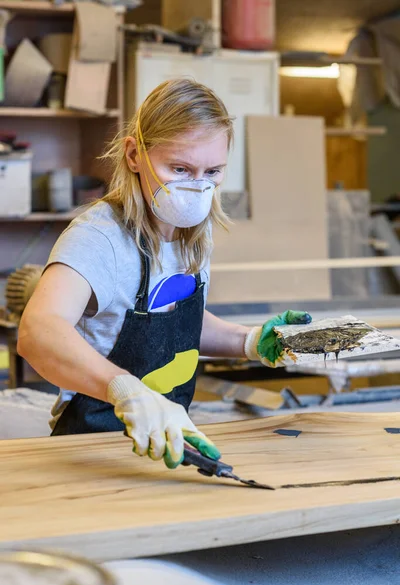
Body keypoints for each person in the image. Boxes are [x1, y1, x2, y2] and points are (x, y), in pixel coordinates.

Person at [18, 78, 311, 469]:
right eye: (179, 168)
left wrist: (250, 341)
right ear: (135, 154)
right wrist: (126, 391)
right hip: (92, 450)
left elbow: (174, 321)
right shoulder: (100, 237)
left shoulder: (192, 234)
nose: (196, 187)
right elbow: (38, 332)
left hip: (165, 444)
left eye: (212, 171)